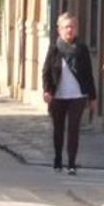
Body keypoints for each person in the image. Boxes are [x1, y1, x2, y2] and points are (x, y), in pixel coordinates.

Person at [43, 13, 96, 174]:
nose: (70, 30)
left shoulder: (82, 49)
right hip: (58, 96)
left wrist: (92, 97)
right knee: (58, 129)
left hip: (77, 96)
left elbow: (88, 73)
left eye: (73, 27)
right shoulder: (55, 48)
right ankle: (58, 158)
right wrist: (47, 91)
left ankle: (71, 163)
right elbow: (46, 72)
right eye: (67, 27)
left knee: (73, 129)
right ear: (59, 30)